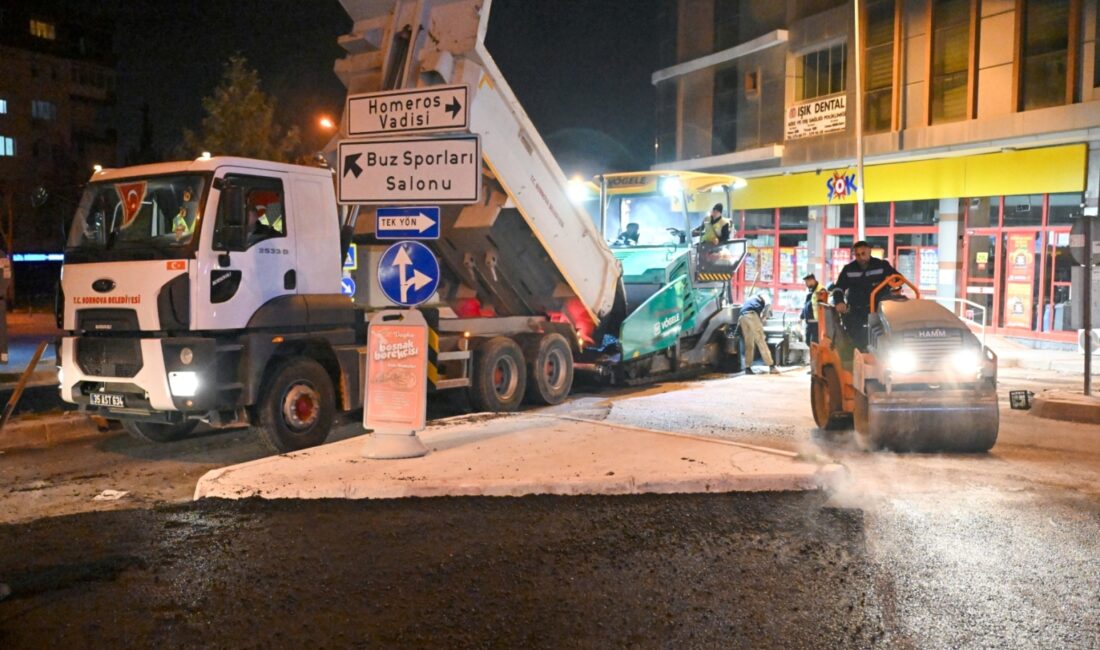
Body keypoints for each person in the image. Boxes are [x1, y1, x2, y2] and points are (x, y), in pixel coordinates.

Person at [831, 240, 900, 351]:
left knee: (883, 337)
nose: (861, 257)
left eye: (863, 254)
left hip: (879, 310)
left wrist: (893, 285)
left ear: (869, 252)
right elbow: (838, 288)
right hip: (857, 311)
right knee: (857, 337)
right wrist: (839, 301)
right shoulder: (848, 269)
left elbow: (898, 279)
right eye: (857, 255)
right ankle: (860, 354)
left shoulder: (882, 266)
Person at [738, 290, 779, 375]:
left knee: (749, 344)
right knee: (761, 341)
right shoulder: (765, 294)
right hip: (751, 315)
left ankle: (747, 368)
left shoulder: (751, 298)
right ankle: (771, 366)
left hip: (742, 316)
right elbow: (768, 304)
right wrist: (764, 317)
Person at [800, 273, 820, 346]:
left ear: (812, 280)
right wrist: (801, 316)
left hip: (816, 323)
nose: (806, 284)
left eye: (807, 282)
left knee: (814, 344)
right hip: (810, 323)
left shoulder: (820, 290)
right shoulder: (811, 291)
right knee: (809, 343)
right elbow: (807, 305)